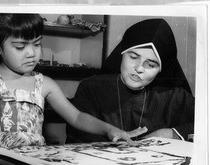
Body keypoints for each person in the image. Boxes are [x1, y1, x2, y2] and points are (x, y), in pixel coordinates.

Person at [0, 13, 147, 149]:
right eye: (20, 46)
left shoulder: (44, 84)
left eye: (37, 44)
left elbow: (77, 117)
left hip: (34, 164)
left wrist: (109, 129)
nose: (32, 53)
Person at [66, 18, 195, 143]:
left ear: (161, 69)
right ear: (121, 53)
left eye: (150, 65)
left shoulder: (176, 96)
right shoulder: (91, 88)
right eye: (133, 57)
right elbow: (78, 136)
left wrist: (173, 133)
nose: (139, 68)